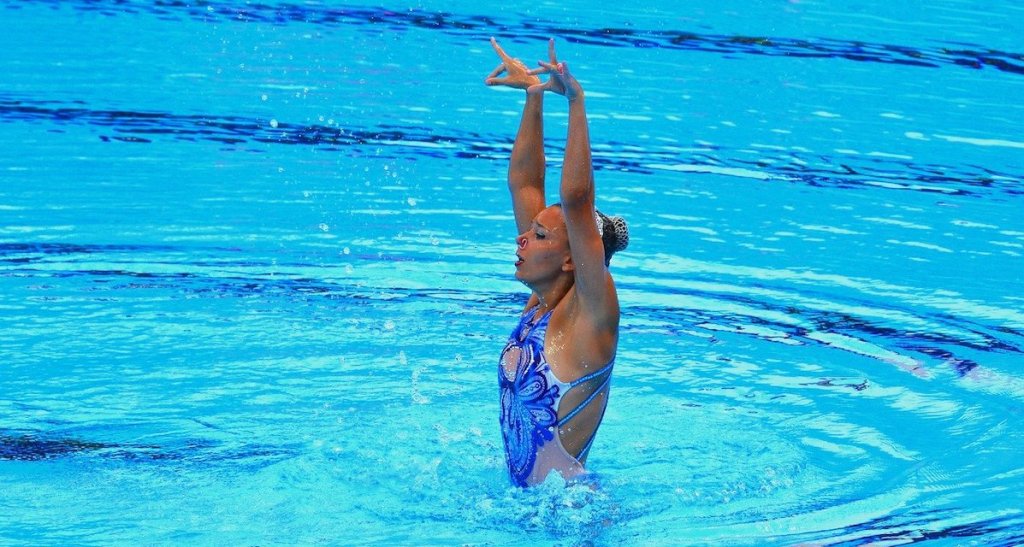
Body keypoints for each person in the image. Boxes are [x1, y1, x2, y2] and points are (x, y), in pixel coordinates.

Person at [485, 37, 629, 487]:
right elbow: (525, 182)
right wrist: (533, 97)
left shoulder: (591, 316)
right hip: (523, 506)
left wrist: (575, 102)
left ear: (572, 258)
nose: (523, 238)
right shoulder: (542, 301)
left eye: (539, 235)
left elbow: (576, 200)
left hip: (572, 512)